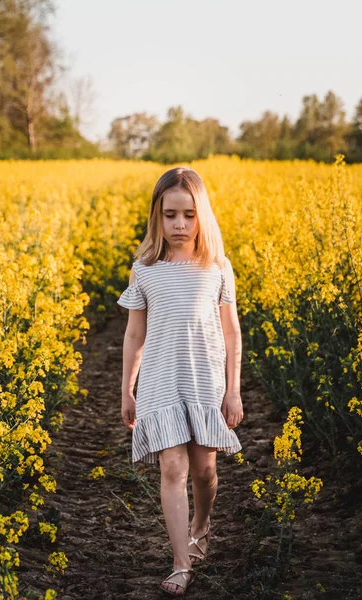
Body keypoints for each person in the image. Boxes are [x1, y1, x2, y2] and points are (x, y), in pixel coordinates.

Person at [117, 166, 244, 596]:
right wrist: (126, 389)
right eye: (170, 215)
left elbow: (231, 332)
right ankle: (180, 562)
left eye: (188, 215)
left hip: (205, 382)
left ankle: (201, 526)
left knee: (205, 470)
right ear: (157, 215)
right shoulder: (145, 269)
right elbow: (135, 333)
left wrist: (234, 388)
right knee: (173, 467)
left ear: (201, 215)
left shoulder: (217, 268)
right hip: (159, 382)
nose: (179, 224)